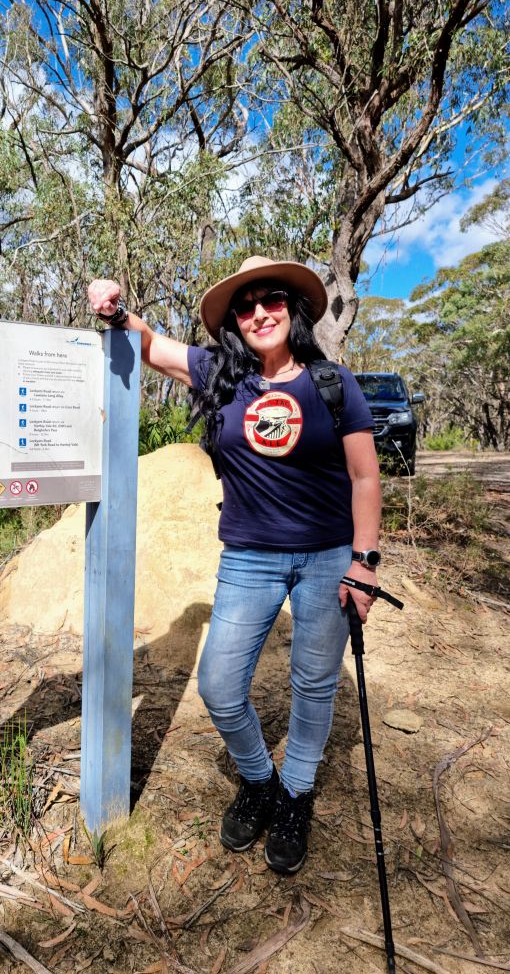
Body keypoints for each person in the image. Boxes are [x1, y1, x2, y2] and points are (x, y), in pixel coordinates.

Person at [87, 255, 381, 874]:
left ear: (293, 309)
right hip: (249, 558)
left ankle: (296, 792)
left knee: (313, 684)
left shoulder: (333, 383)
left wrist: (365, 562)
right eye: (245, 307)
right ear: (235, 323)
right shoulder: (220, 374)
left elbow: (364, 475)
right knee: (220, 686)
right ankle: (259, 778)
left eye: (271, 299)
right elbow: (148, 346)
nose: (258, 313)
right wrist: (113, 307)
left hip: (329, 557)